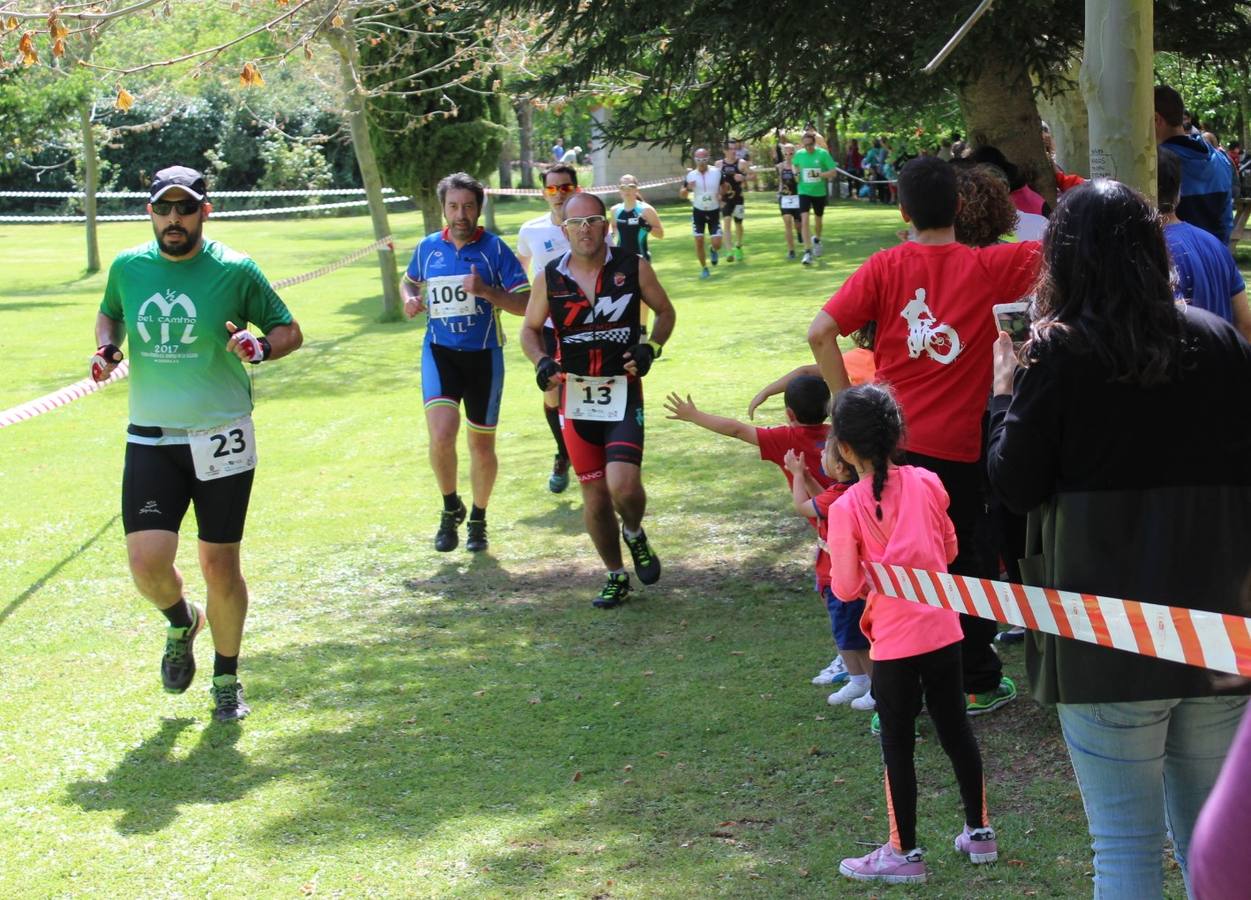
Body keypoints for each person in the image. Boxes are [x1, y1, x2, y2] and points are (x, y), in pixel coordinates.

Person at [986, 178, 1251, 899]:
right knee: (1210, 850)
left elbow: (1013, 484)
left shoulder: (1053, 352)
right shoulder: (1220, 339)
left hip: (1104, 631)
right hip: (1213, 622)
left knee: (1125, 847)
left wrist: (1002, 391)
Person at [809, 157, 1039, 721]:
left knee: (894, 568)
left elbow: (820, 333)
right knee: (966, 562)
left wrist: (848, 412)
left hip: (891, 447)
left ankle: (901, 689)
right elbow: (1063, 245)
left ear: (903, 211)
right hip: (958, 453)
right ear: (959, 208)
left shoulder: (884, 267)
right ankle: (977, 682)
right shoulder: (995, 266)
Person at [91, 165, 303, 722]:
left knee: (220, 564)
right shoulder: (128, 267)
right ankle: (182, 621)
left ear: (205, 210)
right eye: (164, 208)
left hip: (221, 435)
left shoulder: (236, 270)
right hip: (152, 436)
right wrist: (106, 348)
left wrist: (259, 349)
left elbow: (288, 331)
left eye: (185, 208)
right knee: (146, 562)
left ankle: (226, 679)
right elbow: (110, 314)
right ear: (150, 213)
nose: (174, 219)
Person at [829, 384, 997, 885]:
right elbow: (946, 550)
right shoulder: (928, 482)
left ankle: (903, 852)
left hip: (894, 645)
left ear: (844, 448)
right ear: (897, 435)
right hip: (945, 631)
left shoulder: (845, 509)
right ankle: (980, 833)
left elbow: (846, 585)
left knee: (897, 744)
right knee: (956, 730)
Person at [520, 192, 677, 608]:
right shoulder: (549, 278)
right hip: (575, 396)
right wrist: (540, 362)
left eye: (592, 221)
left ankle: (635, 532)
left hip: (621, 390)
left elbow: (665, 312)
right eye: (576, 223)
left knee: (623, 486)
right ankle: (615, 574)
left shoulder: (633, 266)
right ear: (563, 229)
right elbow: (529, 330)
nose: (584, 229)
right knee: (594, 496)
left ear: (606, 226)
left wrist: (650, 348)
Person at [662, 377, 850, 688]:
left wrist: (694, 416)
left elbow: (736, 430)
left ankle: (852, 660)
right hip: (855, 523)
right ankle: (857, 653)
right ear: (828, 409)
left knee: (835, 592)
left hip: (831, 531)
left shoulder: (785, 438)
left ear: (789, 413)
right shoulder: (839, 436)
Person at [403, 172, 530, 554]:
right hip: (439, 353)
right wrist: (410, 297)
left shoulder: (494, 250)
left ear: (479, 209)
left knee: (481, 446)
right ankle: (448, 509)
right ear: (443, 208)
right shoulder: (428, 248)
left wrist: (487, 291)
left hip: (484, 357)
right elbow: (409, 281)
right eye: (454, 206)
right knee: (441, 436)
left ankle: (478, 517)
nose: (461, 214)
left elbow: (524, 305)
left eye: (469, 206)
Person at [782, 441, 873, 706]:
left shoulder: (841, 495)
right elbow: (820, 501)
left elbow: (803, 506)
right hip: (830, 574)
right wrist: (809, 479)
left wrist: (797, 475)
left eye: (824, 453)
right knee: (844, 633)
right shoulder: (841, 491)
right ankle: (858, 680)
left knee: (854, 636)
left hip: (840, 577)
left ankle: (873, 686)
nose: (819, 455)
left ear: (839, 466)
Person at [516, 164, 580, 495]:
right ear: (544, 193)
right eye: (552, 189)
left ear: (576, 190)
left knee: (584, 393)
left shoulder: (588, 226)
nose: (559, 194)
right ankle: (563, 453)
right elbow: (519, 271)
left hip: (586, 325)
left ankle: (587, 455)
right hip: (549, 326)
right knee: (551, 392)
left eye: (565, 188)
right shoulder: (531, 230)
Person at [1158, 148, 1251, 340]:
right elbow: (1245, 324)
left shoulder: (1151, 250)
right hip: (1223, 365)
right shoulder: (1215, 244)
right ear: (1179, 190)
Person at [1156, 84, 1235, 245]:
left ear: (1157, 119)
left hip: (1177, 261)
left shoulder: (1158, 163)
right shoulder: (1221, 159)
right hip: (1216, 259)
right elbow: (1227, 221)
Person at [793, 127, 838, 265]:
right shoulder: (799, 154)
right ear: (802, 145)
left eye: (810, 145)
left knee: (818, 221)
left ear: (815, 143)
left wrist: (820, 175)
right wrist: (796, 173)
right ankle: (807, 252)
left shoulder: (823, 154)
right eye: (805, 145)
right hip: (804, 191)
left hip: (819, 192)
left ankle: (817, 239)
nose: (808, 148)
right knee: (804, 220)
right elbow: (795, 166)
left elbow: (833, 172)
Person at [678, 148, 724, 279]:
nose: (701, 162)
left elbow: (725, 186)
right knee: (698, 239)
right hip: (698, 212)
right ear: (695, 159)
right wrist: (687, 188)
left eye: (704, 159)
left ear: (708, 158)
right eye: (698, 159)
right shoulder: (691, 175)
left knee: (717, 243)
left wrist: (721, 195)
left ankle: (713, 250)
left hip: (714, 211)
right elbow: (682, 194)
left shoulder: (717, 173)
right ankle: (704, 268)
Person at [609, 174, 664, 262]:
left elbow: (660, 235)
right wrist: (610, 234)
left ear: (637, 189)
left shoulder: (647, 210)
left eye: (631, 186)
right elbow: (613, 228)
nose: (627, 190)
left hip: (642, 260)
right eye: (623, 187)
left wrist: (646, 226)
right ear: (619, 190)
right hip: (620, 260)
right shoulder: (614, 210)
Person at [718, 138, 750, 262]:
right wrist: (718, 195)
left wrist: (743, 177)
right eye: (731, 149)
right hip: (726, 199)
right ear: (725, 151)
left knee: (738, 224)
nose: (733, 152)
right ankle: (729, 251)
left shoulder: (741, 163)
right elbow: (716, 180)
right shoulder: (719, 164)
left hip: (738, 198)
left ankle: (738, 246)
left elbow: (753, 175)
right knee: (726, 221)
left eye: (735, 149)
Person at [777, 143, 802, 259]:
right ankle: (791, 250)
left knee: (798, 224)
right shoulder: (780, 166)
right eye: (786, 153)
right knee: (787, 223)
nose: (788, 155)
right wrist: (779, 193)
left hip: (797, 197)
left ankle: (800, 233)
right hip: (785, 198)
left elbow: (799, 181)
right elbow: (781, 181)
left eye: (791, 153)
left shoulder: (798, 165)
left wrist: (794, 168)